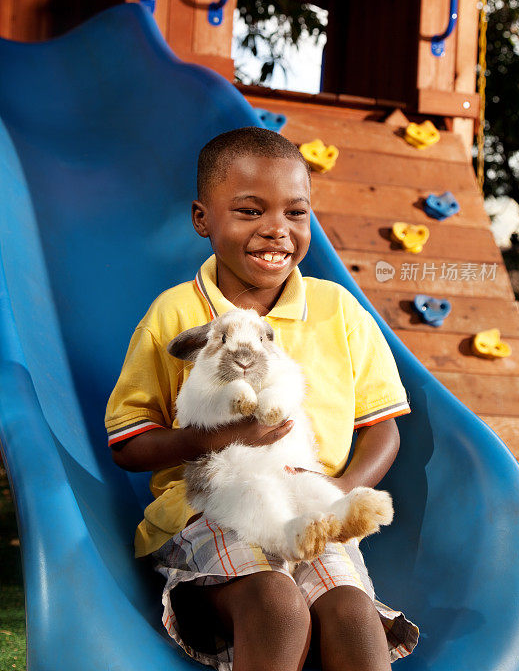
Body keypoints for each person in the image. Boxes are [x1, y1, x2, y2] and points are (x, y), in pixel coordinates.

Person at [105, 126, 419, 671]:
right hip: (212, 508)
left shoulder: (337, 309)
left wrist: (340, 492)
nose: (277, 230)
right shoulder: (175, 316)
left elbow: (383, 426)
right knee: (278, 603)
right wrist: (231, 435)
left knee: (350, 612)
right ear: (203, 219)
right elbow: (129, 444)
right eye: (250, 211)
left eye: (295, 214)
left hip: (310, 508)